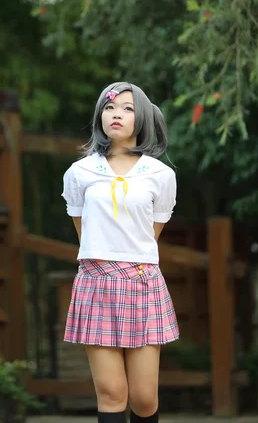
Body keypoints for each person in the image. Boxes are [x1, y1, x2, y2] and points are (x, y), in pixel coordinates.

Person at [61, 82, 179, 423]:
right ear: (100, 116)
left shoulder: (160, 175)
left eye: (128, 108)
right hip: (96, 284)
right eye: (110, 108)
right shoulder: (80, 172)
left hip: (142, 283)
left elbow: (149, 235)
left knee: (143, 398)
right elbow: (84, 233)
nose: (117, 114)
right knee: (112, 394)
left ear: (141, 118)